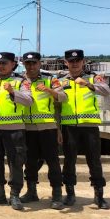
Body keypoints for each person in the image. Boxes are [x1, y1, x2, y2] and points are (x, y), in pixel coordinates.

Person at [59, 49, 110, 209]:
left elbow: (106, 91)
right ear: (66, 63)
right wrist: (57, 128)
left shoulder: (94, 77)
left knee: (94, 161)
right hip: (69, 127)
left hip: (89, 126)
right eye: (71, 61)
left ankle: (99, 194)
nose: (74, 64)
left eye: (77, 61)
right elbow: (56, 106)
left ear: (83, 61)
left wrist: (88, 84)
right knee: (69, 161)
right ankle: (70, 193)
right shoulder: (61, 81)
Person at [0, 52, 32, 211]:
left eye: (4, 63)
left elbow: (29, 101)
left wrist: (12, 92)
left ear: (13, 64)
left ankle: (15, 195)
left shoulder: (21, 81)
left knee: (16, 163)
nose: (1, 66)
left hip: (14, 129)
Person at [19, 52, 66, 210]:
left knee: (53, 162)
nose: (31, 66)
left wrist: (48, 90)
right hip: (27, 127)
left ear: (40, 64)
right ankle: (32, 191)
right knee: (30, 162)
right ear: (24, 64)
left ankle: (57, 194)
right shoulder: (20, 80)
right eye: (28, 64)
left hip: (47, 127)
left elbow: (63, 97)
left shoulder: (50, 79)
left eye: (34, 63)